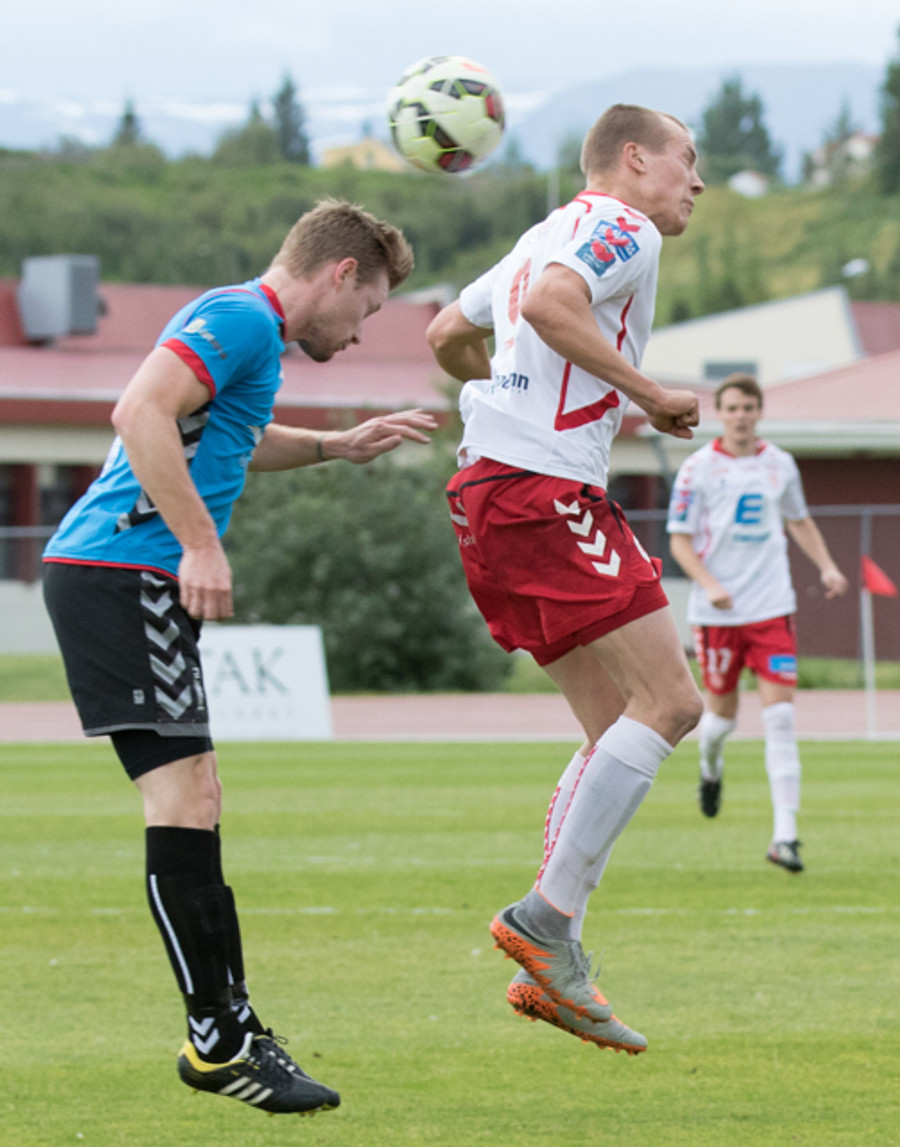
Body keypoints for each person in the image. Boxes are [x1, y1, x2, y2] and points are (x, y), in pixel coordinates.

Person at [42, 198, 436, 1117]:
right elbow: (140, 412)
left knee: (198, 796)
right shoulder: (244, 319)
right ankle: (219, 1038)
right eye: (369, 308)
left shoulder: (243, 326)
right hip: (121, 571)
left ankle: (227, 1027)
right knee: (184, 799)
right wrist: (200, 545)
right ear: (340, 273)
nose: (360, 331)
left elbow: (228, 439)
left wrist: (333, 445)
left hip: (123, 574)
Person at [426, 104, 706, 1055]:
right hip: (544, 490)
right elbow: (552, 305)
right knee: (672, 702)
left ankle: (554, 957)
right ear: (634, 158)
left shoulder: (540, 234)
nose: (697, 181)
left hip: (489, 489)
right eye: (686, 159)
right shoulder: (620, 224)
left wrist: (502, 399)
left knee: (615, 725)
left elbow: (446, 335)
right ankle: (547, 921)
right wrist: (649, 392)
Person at [667, 373, 848, 874]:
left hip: (771, 607)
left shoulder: (779, 463)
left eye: (748, 407)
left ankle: (785, 836)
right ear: (721, 413)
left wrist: (827, 566)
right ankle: (710, 766)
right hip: (719, 615)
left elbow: (799, 520)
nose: (741, 416)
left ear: (759, 411)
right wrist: (709, 584)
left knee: (781, 719)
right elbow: (679, 539)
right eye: (732, 408)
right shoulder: (698, 468)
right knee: (720, 722)